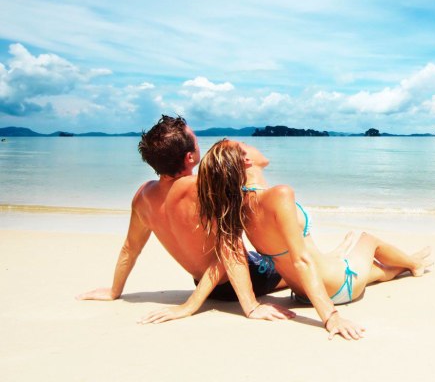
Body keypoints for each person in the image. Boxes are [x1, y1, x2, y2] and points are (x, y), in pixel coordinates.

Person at [187, 139, 433, 340]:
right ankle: (414, 264)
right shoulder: (278, 195)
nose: (252, 145)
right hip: (334, 287)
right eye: (245, 144)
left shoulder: (239, 206)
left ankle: (407, 263)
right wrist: (331, 317)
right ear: (246, 160)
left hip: (303, 292)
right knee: (363, 237)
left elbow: (230, 256)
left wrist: (239, 305)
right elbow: (301, 260)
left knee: (361, 256)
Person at [76, 115, 294, 323]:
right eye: (197, 142)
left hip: (205, 282)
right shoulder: (201, 187)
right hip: (246, 278)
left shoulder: (143, 196)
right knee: (309, 264)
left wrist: (114, 291)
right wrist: (250, 306)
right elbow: (231, 247)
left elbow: (130, 248)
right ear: (190, 157)